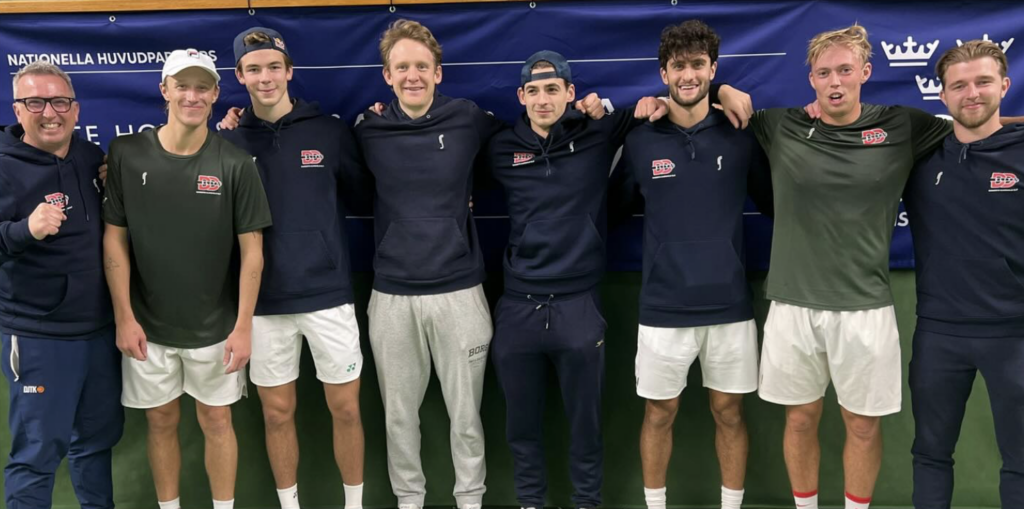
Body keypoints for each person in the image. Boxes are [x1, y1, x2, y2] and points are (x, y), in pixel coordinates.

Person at [718, 24, 952, 509]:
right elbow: (695, 98)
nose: (835, 82)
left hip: (865, 307)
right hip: (792, 305)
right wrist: (722, 88)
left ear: (865, 72)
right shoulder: (779, 125)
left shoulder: (903, 125)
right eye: (824, 73)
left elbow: (978, 122)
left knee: (862, 426)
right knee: (800, 419)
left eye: (845, 70)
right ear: (811, 80)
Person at [485, 50, 666, 509]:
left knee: (586, 426)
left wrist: (718, 91)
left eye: (553, 89)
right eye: (533, 91)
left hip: (578, 305)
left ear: (570, 93)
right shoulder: (499, 146)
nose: (543, 99)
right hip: (518, 306)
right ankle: (530, 502)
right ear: (520, 96)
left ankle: (588, 502)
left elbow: (664, 103)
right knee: (521, 427)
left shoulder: (598, 131)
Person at [610, 20, 772, 509]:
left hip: (729, 305)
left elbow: (774, 203)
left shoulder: (741, 135)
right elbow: (612, 210)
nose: (688, 75)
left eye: (698, 64)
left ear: (713, 69)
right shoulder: (641, 140)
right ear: (663, 73)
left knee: (729, 413)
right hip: (663, 306)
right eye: (678, 66)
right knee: (659, 413)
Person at [102, 48, 272, 509]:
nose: (192, 97)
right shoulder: (126, 153)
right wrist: (124, 317)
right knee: (160, 421)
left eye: (202, 88)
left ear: (216, 94)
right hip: (146, 327)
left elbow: (252, 252)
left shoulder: (235, 164)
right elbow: (114, 239)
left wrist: (243, 326)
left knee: (217, 422)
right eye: (182, 86)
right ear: (165, 90)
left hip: (216, 329)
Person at [218, 26, 369, 509]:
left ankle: (354, 504)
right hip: (262, 303)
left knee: (346, 409)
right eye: (254, 69)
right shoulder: (227, 143)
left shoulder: (330, 132)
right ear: (240, 76)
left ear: (289, 71)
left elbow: (367, 197)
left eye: (273, 67)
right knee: (277, 413)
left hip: (329, 295)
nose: (265, 78)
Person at [902, 40, 1024, 509]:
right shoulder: (917, 155)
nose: (971, 93)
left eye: (983, 82)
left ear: (1004, 86)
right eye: (959, 85)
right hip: (939, 332)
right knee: (930, 454)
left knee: (1021, 460)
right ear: (942, 95)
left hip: (1014, 333)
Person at [0, 61, 123, 509]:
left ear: (76, 108)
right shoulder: (3, 167)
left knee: (95, 443)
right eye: (35, 102)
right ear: (18, 109)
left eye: (59, 102)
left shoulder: (90, 157)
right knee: (36, 455)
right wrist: (23, 230)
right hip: (40, 336)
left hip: (99, 333)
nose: (49, 112)